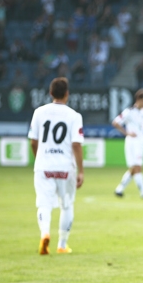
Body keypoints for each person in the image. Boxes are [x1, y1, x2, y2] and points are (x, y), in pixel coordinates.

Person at [27, 77, 84, 255]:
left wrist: (40, 158)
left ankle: (44, 234)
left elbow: (33, 141)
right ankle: (62, 244)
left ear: (51, 93)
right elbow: (76, 144)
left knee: (44, 204)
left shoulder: (39, 112)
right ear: (67, 94)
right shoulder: (74, 116)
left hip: (44, 166)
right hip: (65, 167)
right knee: (66, 205)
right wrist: (81, 170)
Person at [112, 89, 143, 198]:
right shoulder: (129, 111)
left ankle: (119, 189)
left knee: (135, 168)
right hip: (132, 142)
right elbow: (115, 122)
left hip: (140, 142)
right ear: (139, 99)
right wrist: (126, 133)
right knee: (137, 167)